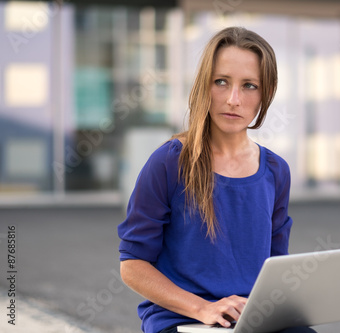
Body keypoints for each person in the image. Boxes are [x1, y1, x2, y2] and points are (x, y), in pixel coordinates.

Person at [117, 26, 316, 333]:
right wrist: (203, 308)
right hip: (182, 320)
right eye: (221, 82)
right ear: (204, 86)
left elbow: (275, 267)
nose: (233, 99)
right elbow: (132, 266)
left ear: (266, 93)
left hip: (251, 320)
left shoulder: (276, 171)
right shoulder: (169, 161)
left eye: (250, 85)